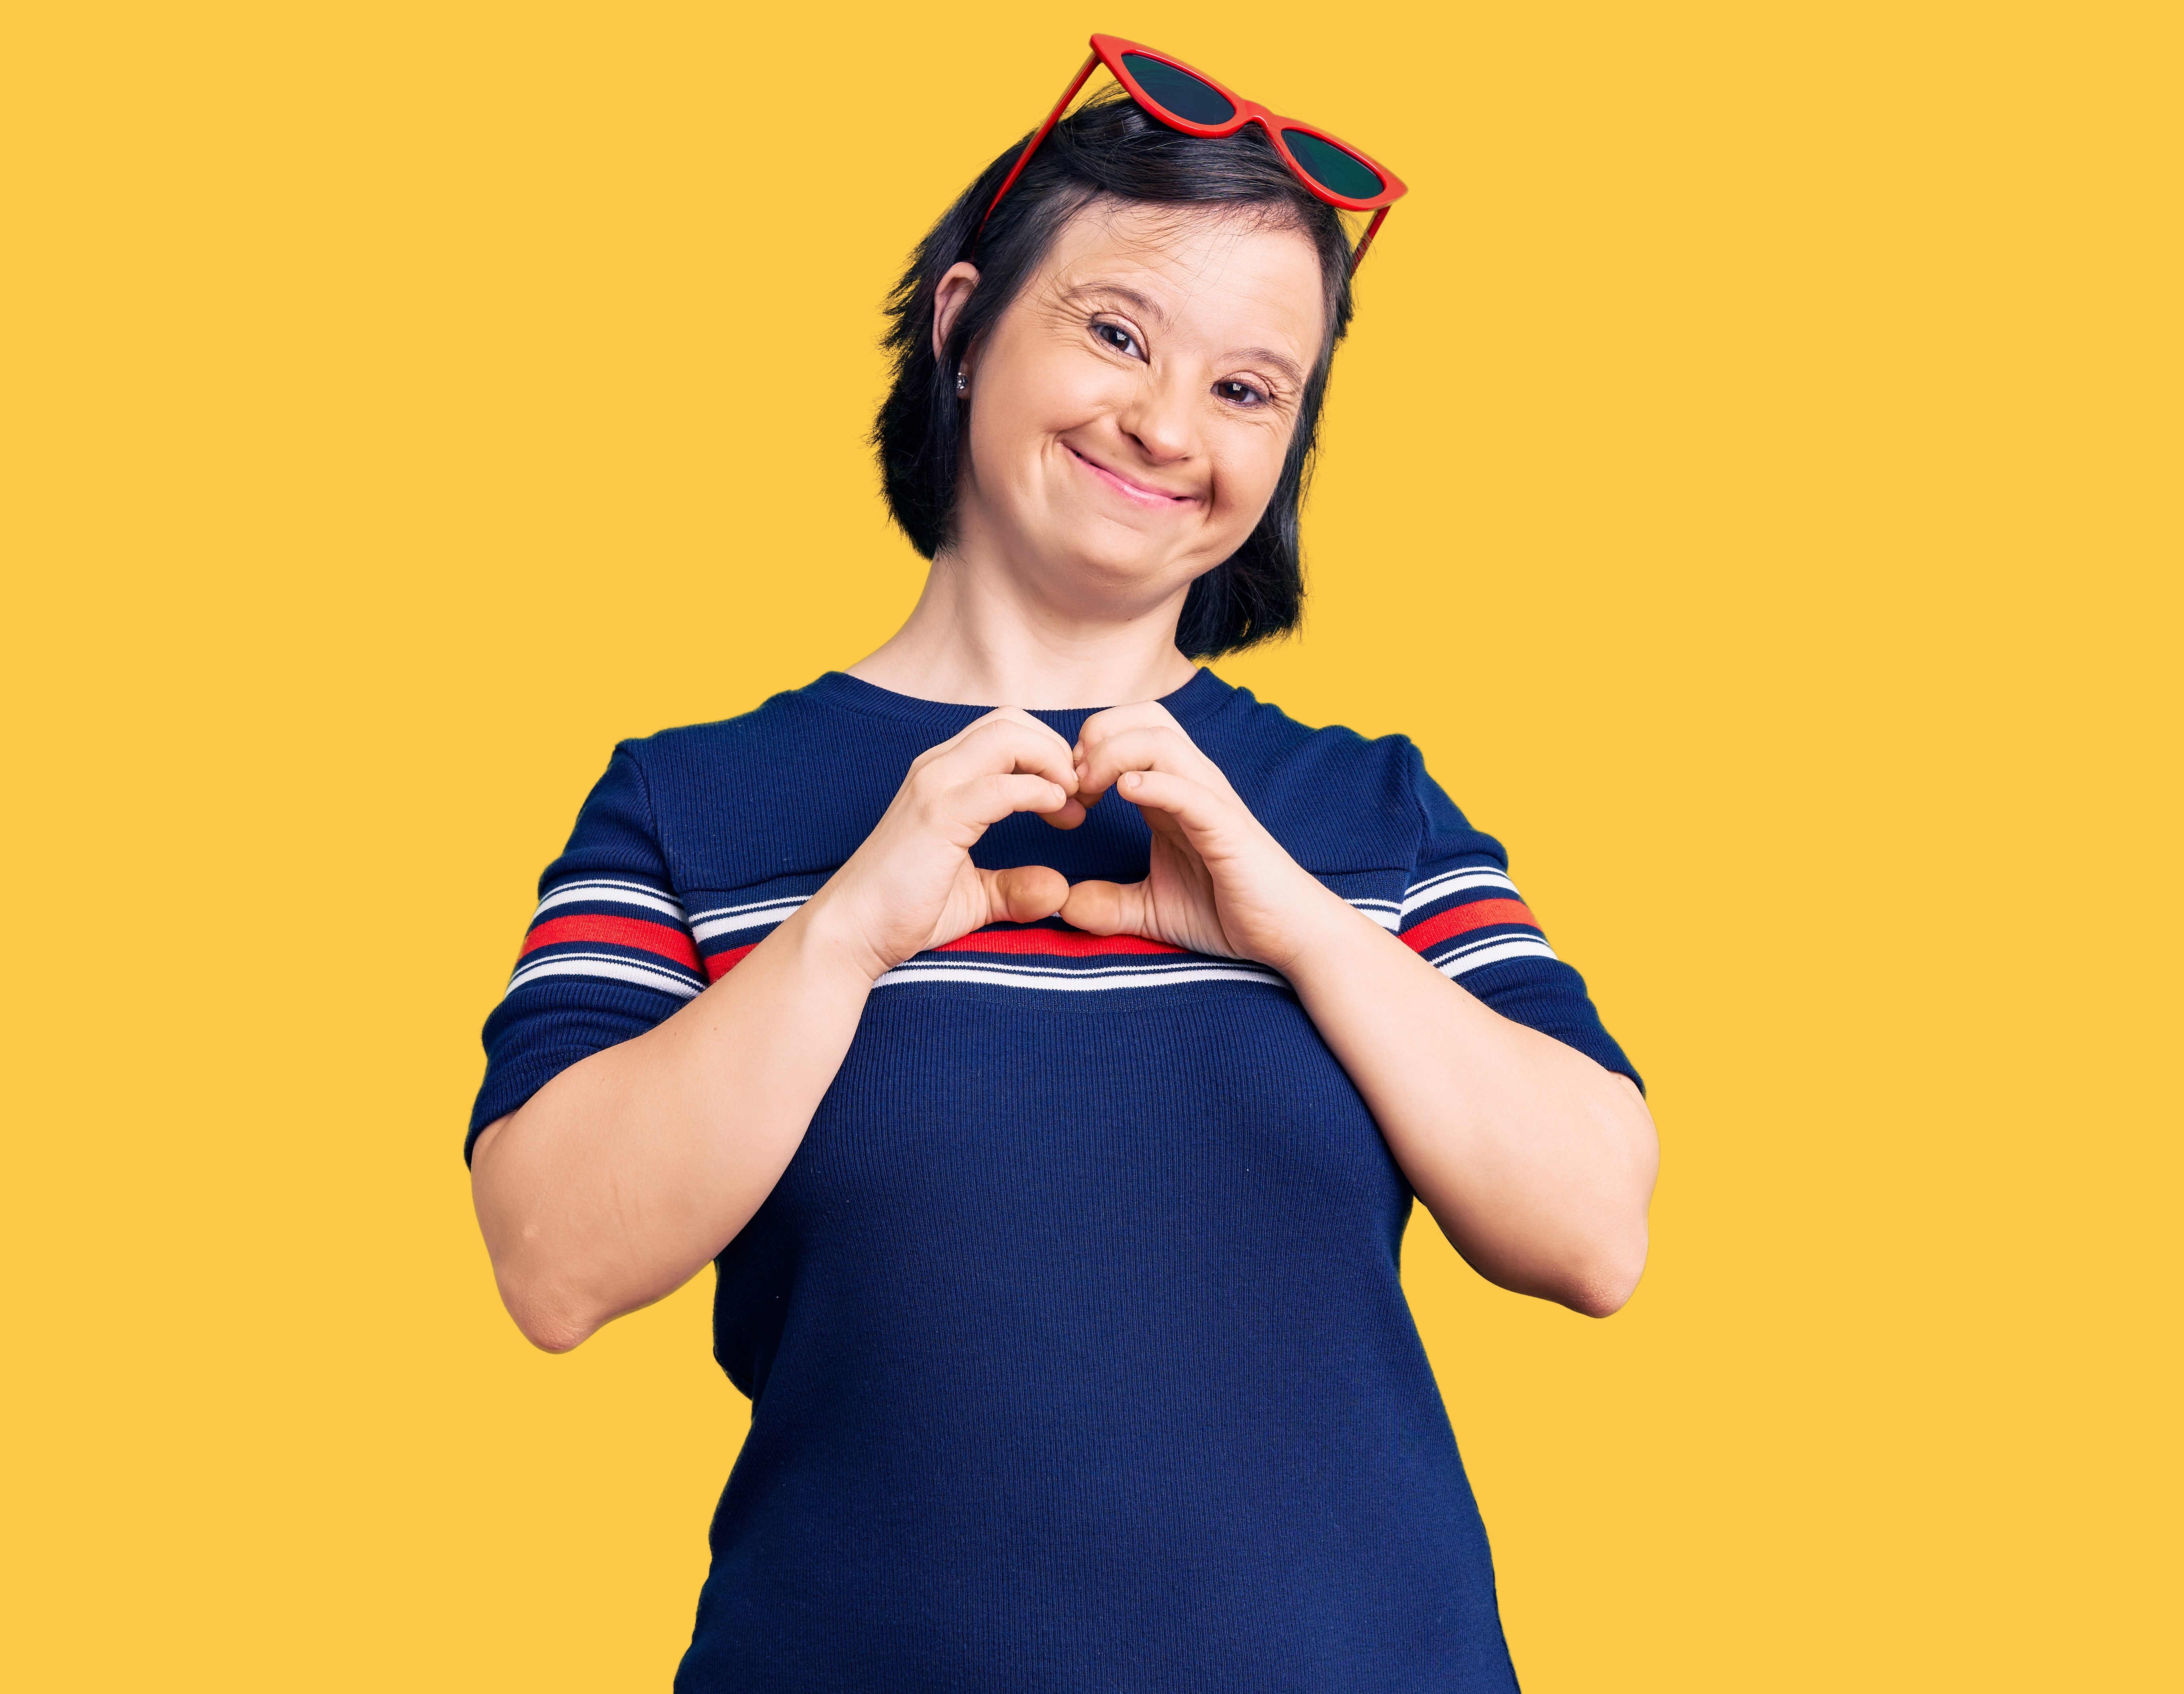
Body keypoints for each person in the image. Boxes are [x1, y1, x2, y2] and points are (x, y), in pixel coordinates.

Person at [466, 37, 1659, 1691]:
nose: (1169, 425)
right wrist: (842, 935)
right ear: (961, 324)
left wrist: (1298, 927)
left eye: (1249, 389)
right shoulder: (695, 806)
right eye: (1115, 332)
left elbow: (1595, 1230)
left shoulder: (1364, 817)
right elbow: (551, 1260)